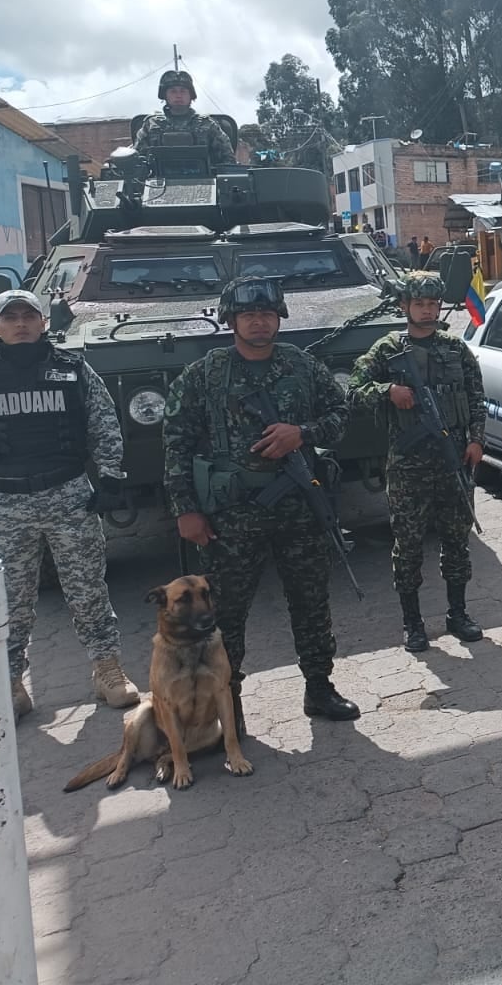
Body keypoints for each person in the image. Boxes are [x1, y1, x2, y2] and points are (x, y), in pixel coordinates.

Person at [161, 276, 360, 724]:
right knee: (224, 616)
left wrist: (302, 434)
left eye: (267, 314)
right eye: (248, 315)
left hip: (299, 509)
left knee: (310, 603)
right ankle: (226, 706)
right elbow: (176, 441)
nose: (258, 322)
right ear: (231, 320)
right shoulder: (206, 373)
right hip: (231, 516)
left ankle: (319, 688)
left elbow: (340, 414)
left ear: (279, 319)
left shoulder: (302, 366)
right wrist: (186, 510)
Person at [0, 290, 139, 719]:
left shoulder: (73, 369)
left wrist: (110, 478)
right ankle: (11, 680)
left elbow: (105, 424)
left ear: (43, 322)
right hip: (6, 504)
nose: (20, 324)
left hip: (68, 496)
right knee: (11, 599)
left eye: (29, 316)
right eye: (9, 317)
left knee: (88, 589)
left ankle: (108, 670)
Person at [349, 271, 486, 651]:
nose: (427, 310)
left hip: (454, 460)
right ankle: (412, 622)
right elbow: (352, 391)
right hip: (408, 465)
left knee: (457, 541)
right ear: (404, 306)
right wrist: (387, 391)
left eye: (432, 304)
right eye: (419, 304)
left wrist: (477, 441)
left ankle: (458, 614)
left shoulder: (455, 349)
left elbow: (477, 397)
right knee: (408, 546)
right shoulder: (386, 349)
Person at [132, 70, 236, 167]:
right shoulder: (151, 124)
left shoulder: (207, 124)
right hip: (157, 183)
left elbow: (228, 161)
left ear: (191, 95)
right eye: (173, 91)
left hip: (204, 182)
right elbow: (137, 161)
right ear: (165, 95)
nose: (178, 96)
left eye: (183, 91)